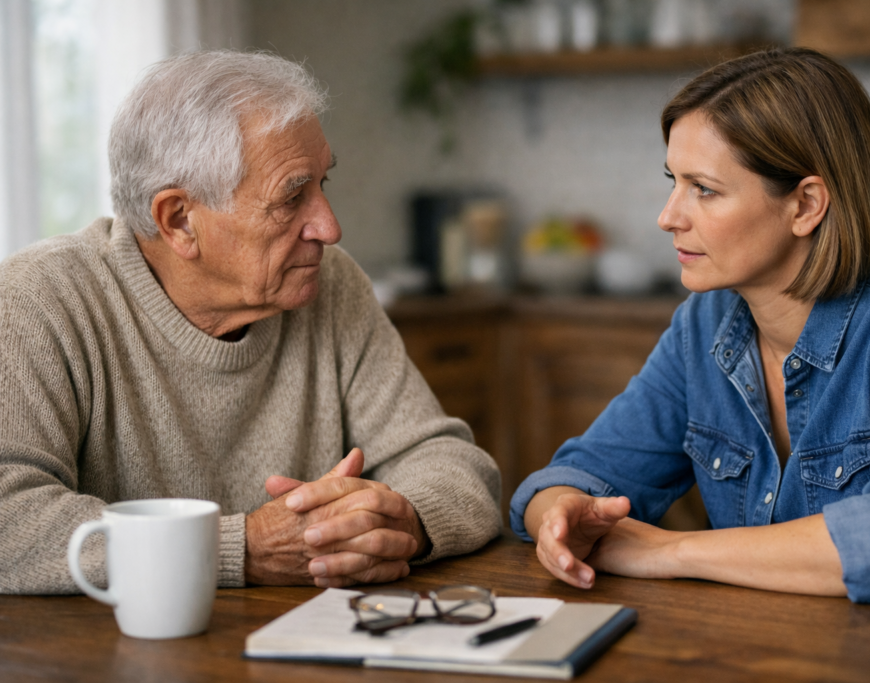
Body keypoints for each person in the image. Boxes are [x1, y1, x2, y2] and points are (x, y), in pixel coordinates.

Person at [510, 47, 870, 603]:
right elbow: (571, 479)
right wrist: (560, 516)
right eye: (673, 181)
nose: (668, 216)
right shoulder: (704, 326)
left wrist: (668, 550)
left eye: (703, 189)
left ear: (806, 205)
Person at [0, 50, 502, 594]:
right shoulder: (38, 301)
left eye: (322, 185)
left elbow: (452, 463)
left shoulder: (331, 284)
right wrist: (239, 549)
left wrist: (401, 521)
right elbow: (10, 521)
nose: (329, 228)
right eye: (291, 198)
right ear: (180, 221)